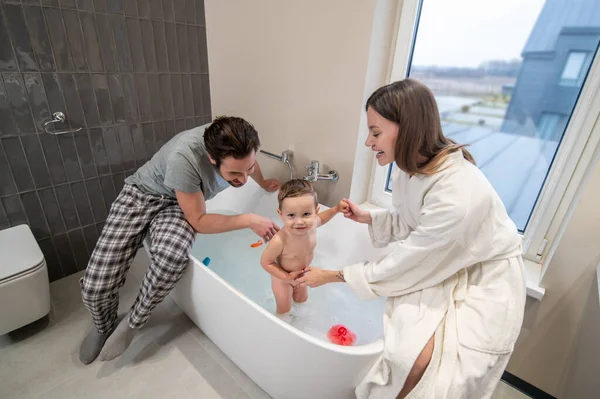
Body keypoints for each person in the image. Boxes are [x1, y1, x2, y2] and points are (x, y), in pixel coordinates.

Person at [297, 79, 526, 399]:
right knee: (407, 354)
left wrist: (334, 276)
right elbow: (414, 220)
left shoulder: (457, 195)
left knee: (427, 370)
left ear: (407, 129)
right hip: (443, 260)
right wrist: (369, 218)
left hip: (484, 280)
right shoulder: (413, 168)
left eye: (376, 132)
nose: (368, 142)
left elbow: (410, 261)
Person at [79, 116, 281, 364]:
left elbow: (248, 163)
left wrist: (260, 180)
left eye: (247, 169)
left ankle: (132, 323)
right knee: (95, 286)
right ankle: (103, 324)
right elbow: (199, 220)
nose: (243, 179)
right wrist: (248, 219)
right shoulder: (184, 156)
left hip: (180, 204)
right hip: (142, 194)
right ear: (212, 158)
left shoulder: (236, 140)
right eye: (234, 173)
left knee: (172, 257)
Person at [260, 179, 345, 316]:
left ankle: (300, 326)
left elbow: (322, 218)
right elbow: (265, 262)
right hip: (282, 280)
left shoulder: (312, 226)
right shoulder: (280, 240)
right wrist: (287, 277)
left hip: (302, 275)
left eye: (306, 214)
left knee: (302, 302)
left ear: (315, 212)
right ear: (281, 215)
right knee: (284, 310)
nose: (299, 222)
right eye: (291, 215)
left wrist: (335, 210)